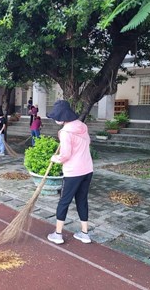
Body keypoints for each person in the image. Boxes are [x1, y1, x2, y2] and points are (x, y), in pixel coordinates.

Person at [46, 100, 93, 245]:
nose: (55, 120)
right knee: (82, 200)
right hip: (87, 170)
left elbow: (65, 155)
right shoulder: (83, 126)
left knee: (64, 202)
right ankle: (85, 234)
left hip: (73, 172)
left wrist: (55, 158)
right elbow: (88, 142)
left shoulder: (65, 132)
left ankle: (58, 234)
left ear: (61, 117)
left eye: (56, 117)